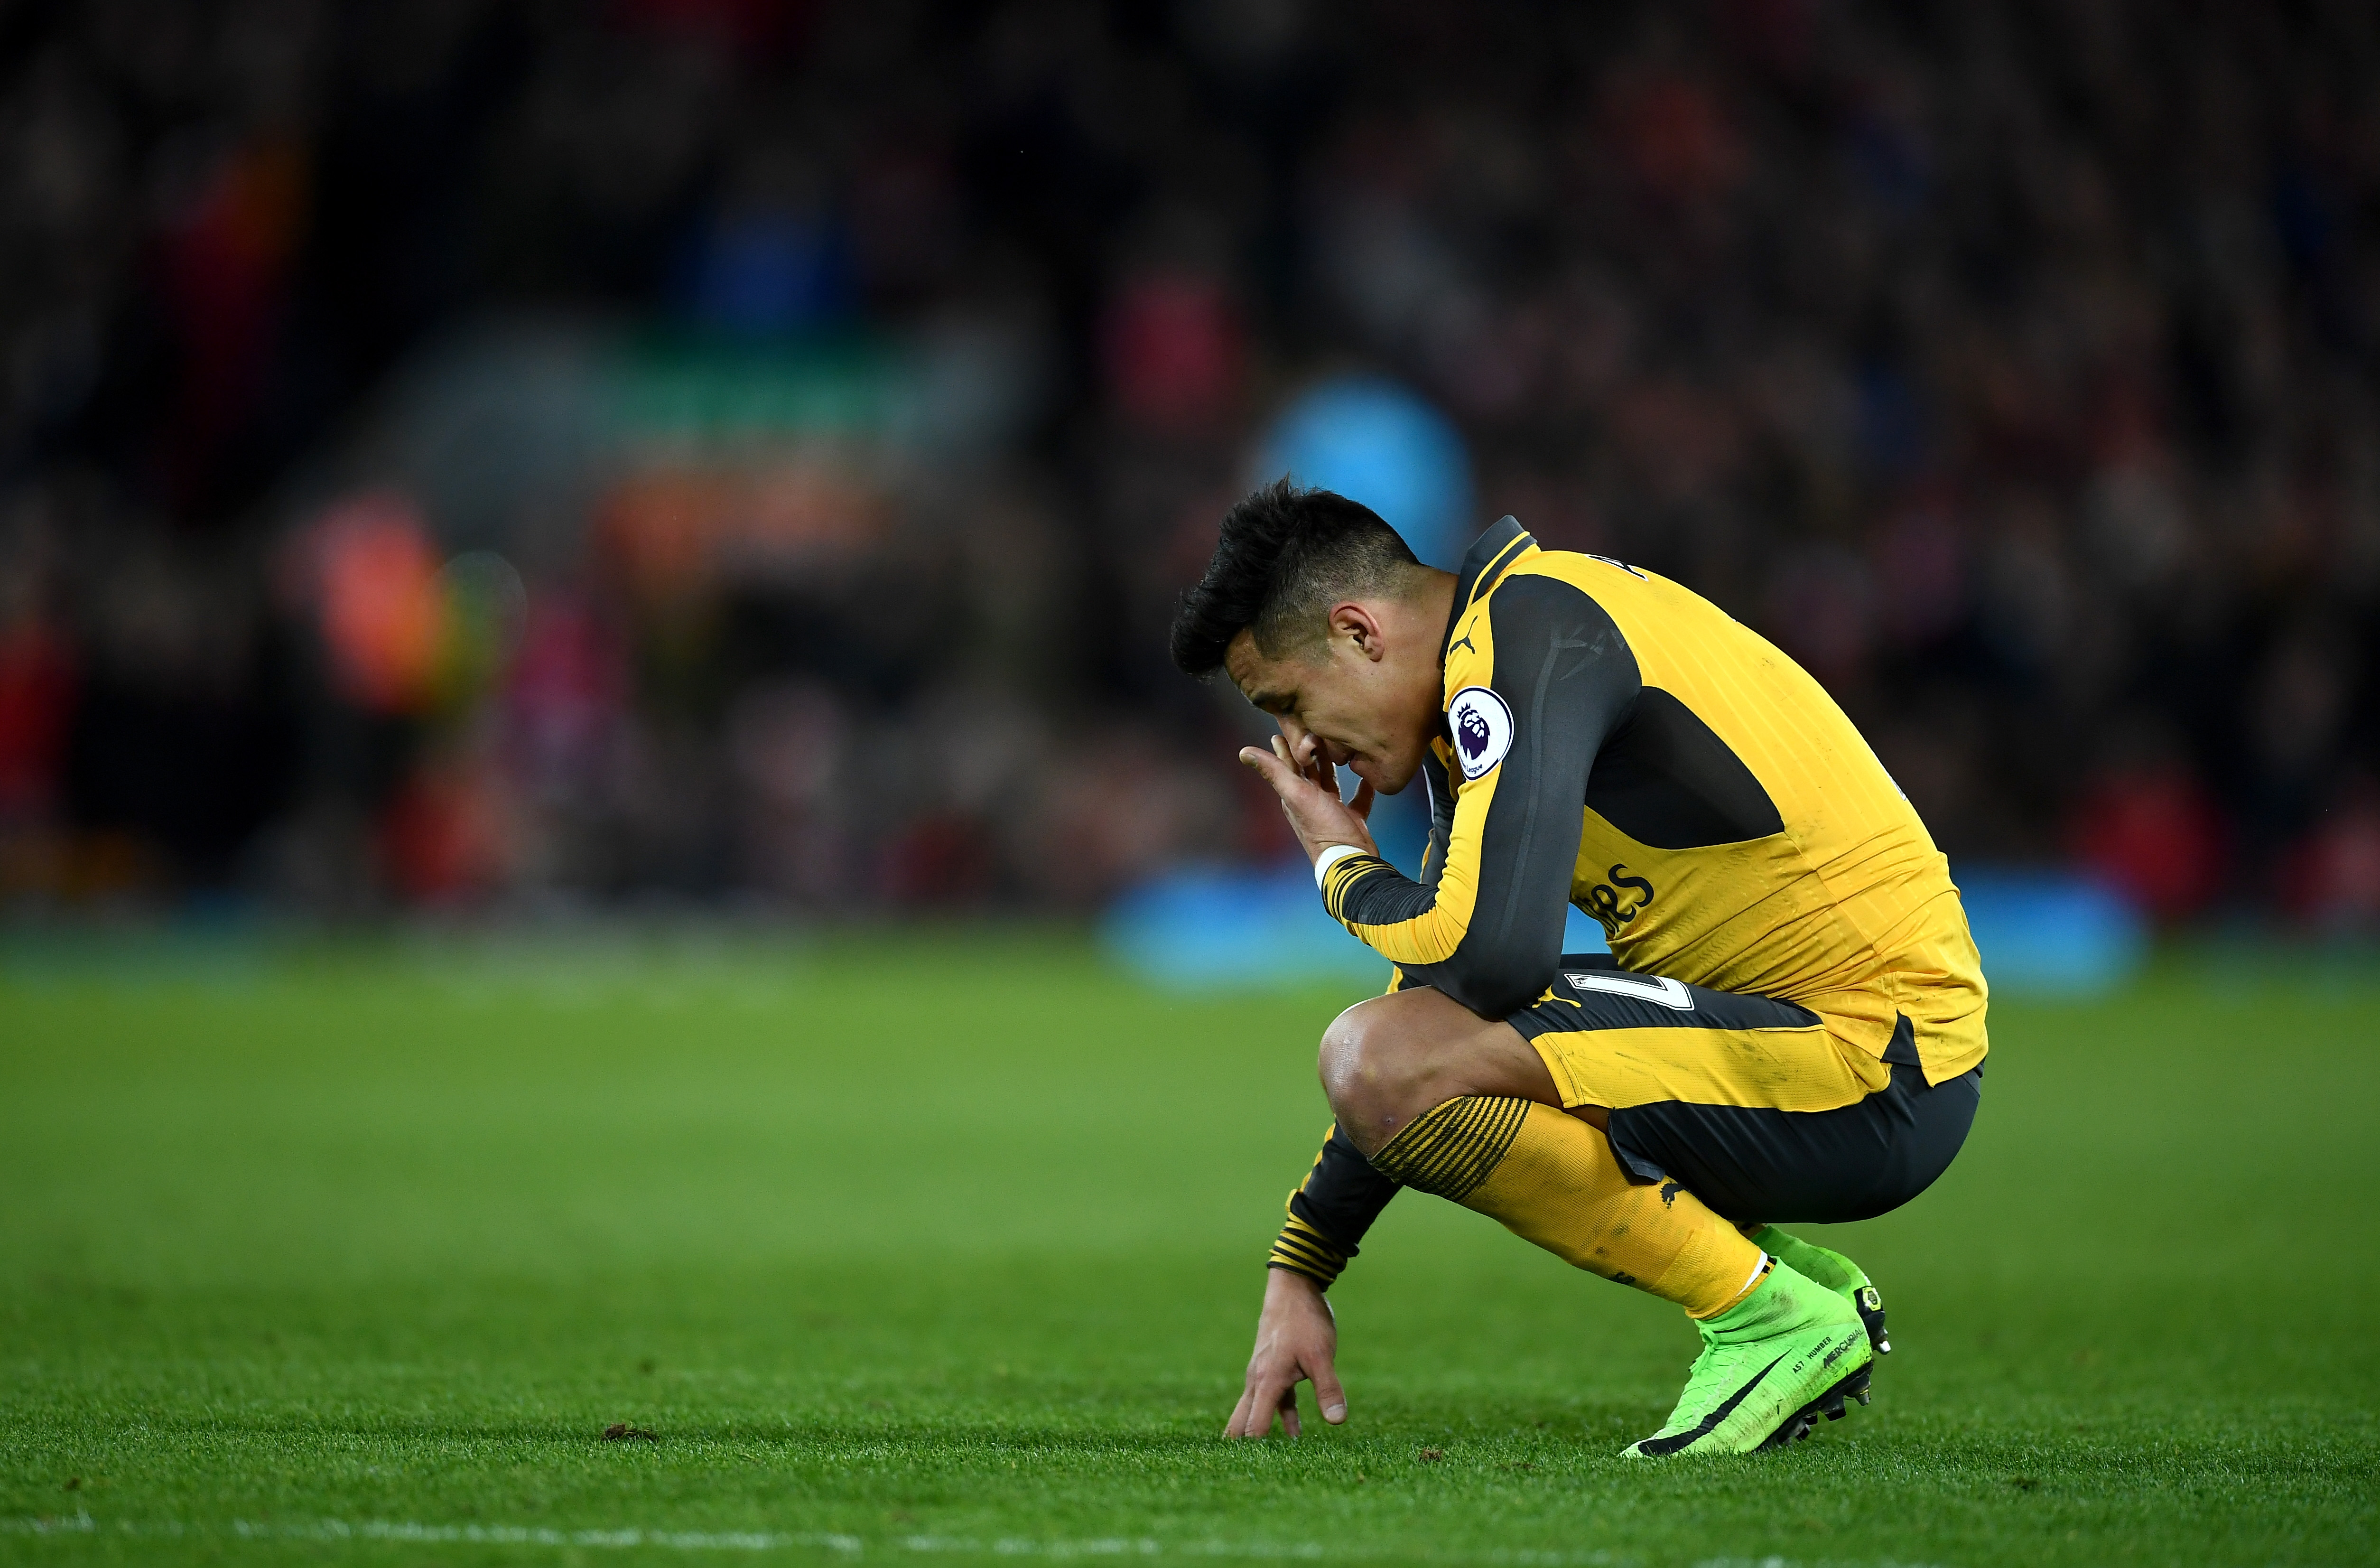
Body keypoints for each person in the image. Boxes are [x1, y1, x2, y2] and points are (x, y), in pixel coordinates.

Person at [1168, 481, 1987, 1456]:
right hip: (1808, 1047)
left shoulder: (1531, 632)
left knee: (1378, 1056)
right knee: (1395, 1056)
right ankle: (1786, 1280)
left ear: (1358, 630)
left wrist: (1342, 868)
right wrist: (1302, 1263)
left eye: (1288, 702)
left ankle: (1767, 1317)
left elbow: (1496, 960)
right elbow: (1446, 999)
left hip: (1869, 1056)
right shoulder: (1502, 647)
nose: (1300, 748)